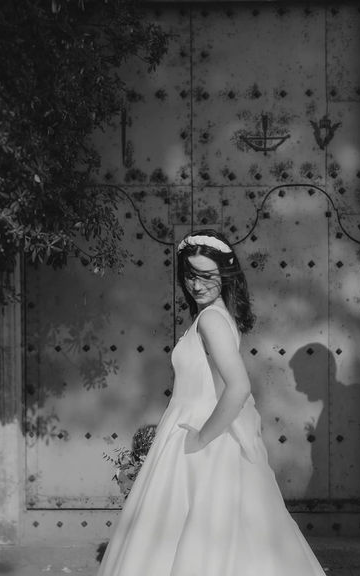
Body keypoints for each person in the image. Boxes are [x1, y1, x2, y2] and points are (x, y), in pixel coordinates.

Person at [97, 229, 326, 576]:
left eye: (206, 275)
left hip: (202, 438)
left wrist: (201, 439)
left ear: (226, 273)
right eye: (190, 275)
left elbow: (238, 387)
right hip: (197, 430)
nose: (196, 284)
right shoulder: (214, 316)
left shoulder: (211, 320)